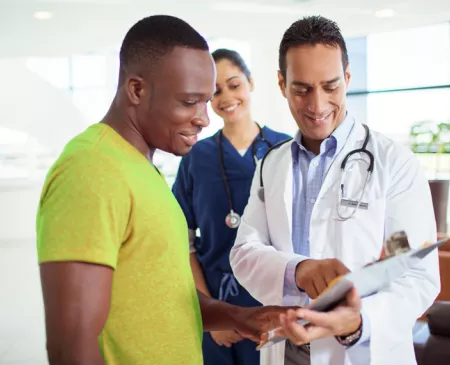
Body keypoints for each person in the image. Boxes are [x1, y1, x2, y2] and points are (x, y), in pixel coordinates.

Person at [36, 15, 299, 365]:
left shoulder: (143, 170)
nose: (204, 118)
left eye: (206, 101)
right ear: (137, 90)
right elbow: (71, 347)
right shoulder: (91, 169)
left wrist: (238, 317)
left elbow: (165, 299)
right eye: (190, 102)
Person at [230, 15, 440, 365]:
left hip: (362, 350)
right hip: (288, 351)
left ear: (347, 78)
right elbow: (244, 252)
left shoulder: (395, 162)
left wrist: (358, 322)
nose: (317, 105)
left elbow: (419, 276)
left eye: (330, 86)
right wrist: (299, 270)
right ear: (282, 84)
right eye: (302, 89)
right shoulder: (271, 164)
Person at [172, 48, 291, 365]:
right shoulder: (196, 157)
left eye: (234, 84)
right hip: (217, 306)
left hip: (271, 306)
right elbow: (180, 240)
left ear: (251, 83)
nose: (226, 97)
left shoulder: (285, 149)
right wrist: (211, 314)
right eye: (216, 91)